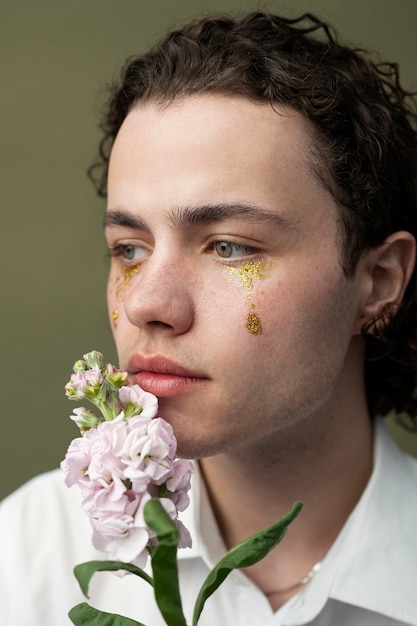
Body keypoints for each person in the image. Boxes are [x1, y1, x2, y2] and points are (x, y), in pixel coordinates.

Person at [1, 10, 417, 626]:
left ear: (377, 281)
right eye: (130, 249)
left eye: (229, 246)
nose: (147, 304)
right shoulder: (28, 561)